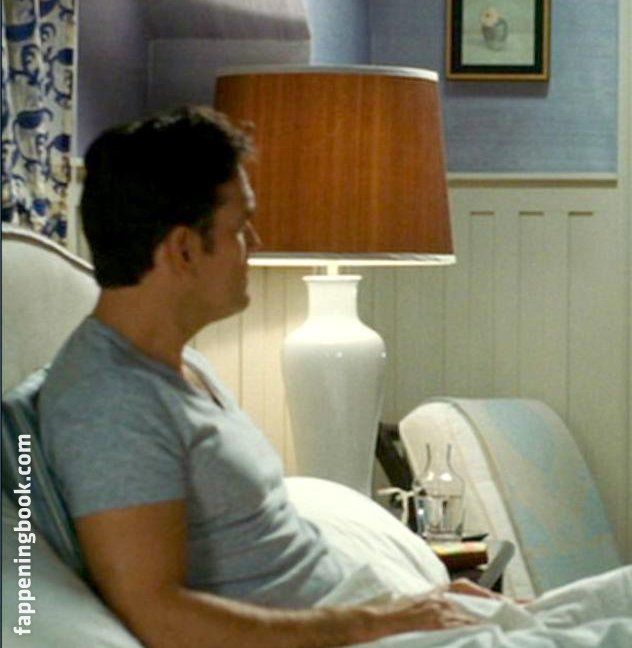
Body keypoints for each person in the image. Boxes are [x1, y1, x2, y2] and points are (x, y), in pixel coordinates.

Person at [39, 107, 494, 647]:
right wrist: (382, 622)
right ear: (184, 249)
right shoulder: (110, 405)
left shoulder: (182, 365)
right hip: (356, 635)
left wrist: (415, 602)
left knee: (592, 606)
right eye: (239, 228)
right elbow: (159, 615)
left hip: (371, 614)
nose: (254, 243)